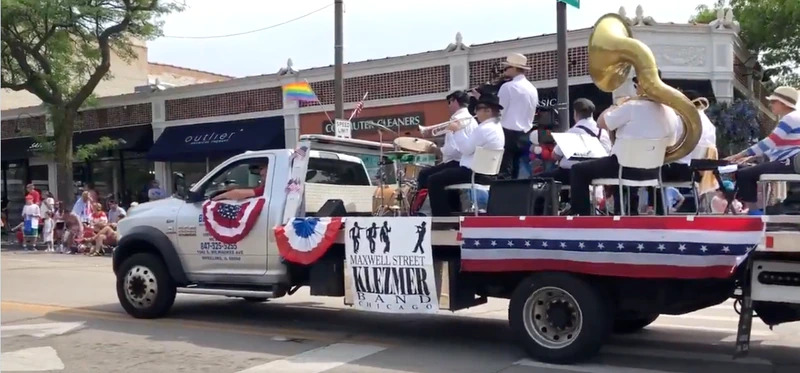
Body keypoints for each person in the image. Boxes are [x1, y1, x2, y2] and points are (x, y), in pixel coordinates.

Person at [569, 73, 678, 216]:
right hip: (653, 172)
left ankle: (582, 219)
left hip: (623, 168)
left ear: (640, 84)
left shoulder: (632, 106)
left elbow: (601, 124)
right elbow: (671, 143)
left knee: (578, 170)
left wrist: (616, 105)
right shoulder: (670, 111)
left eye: (635, 85)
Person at [427, 93, 505, 216]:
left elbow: (465, 149)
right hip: (486, 172)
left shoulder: (484, 128)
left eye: (478, 109)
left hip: (474, 173)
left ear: (488, 111)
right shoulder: (497, 127)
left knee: (434, 180)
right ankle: (452, 213)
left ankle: (442, 218)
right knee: (445, 176)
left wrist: (457, 130)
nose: (475, 112)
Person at [727, 86, 800, 214]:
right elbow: (778, 146)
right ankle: (758, 211)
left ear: (783, 103)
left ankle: (752, 214)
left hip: (792, 161)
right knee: (747, 171)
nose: (770, 104)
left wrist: (738, 155)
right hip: (793, 160)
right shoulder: (795, 118)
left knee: (744, 174)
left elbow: (770, 142)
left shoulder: (790, 118)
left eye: (773, 101)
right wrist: (753, 157)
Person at [649, 88, 718, 214]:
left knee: (648, 170)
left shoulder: (680, 120)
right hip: (696, 172)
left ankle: (659, 211)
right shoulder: (709, 124)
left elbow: (666, 143)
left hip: (679, 170)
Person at [541, 98, 612, 186]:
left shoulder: (571, 132)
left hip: (570, 174)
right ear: (591, 114)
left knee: (538, 179)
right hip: (597, 173)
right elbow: (607, 153)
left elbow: (555, 155)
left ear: (575, 113)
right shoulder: (602, 132)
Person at [417, 91, 478, 189]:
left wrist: (437, 150)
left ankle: (433, 204)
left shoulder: (456, 120)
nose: (448, 106)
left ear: (455, 101)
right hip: (468, 162)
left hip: (457, 163)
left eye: (449, 102)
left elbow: (452, 151)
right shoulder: (472, 120)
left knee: (425, 175)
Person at [496, 53, 538, 179]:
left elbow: (499, 111)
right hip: (525, 134)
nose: (505, 71)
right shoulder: (532, 89)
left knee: (505, 173)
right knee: (521, 172)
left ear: (514, 68)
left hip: (507, 133)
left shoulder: (508, 87)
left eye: (506, 68)